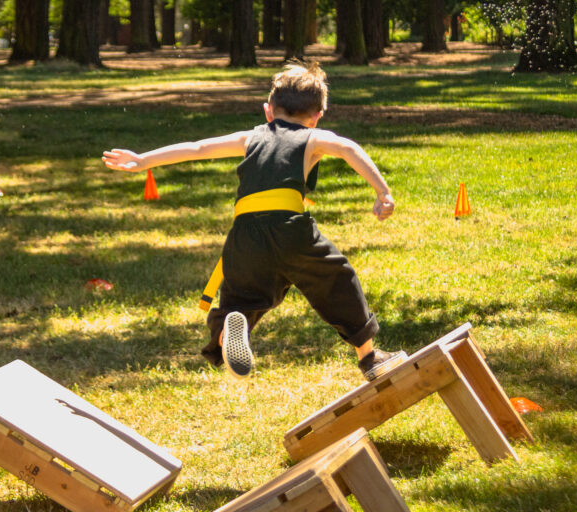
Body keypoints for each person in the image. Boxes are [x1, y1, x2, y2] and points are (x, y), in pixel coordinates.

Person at [102, 61, 405, 380]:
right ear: (317, 116)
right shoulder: (312, 138)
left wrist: (142, 160)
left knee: (240, 299)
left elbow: (198, 147)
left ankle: (229, 332)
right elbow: (347, 147)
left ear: (268, 110)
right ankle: (370, 358)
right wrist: (382, 191)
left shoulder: (250, 137)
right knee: (337, 282)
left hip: (245, 234)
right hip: (290, 229)